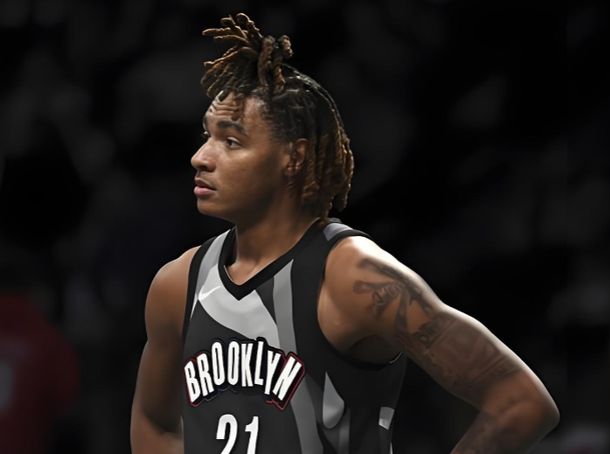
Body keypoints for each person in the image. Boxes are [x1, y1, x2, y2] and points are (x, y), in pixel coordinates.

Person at [130, 12, 559, 454]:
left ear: (294, 158)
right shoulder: (177, 284)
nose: (201, 156)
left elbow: (520, 402)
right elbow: (154, 422)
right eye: (206, 136)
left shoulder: (356, 277)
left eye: (231, 141)